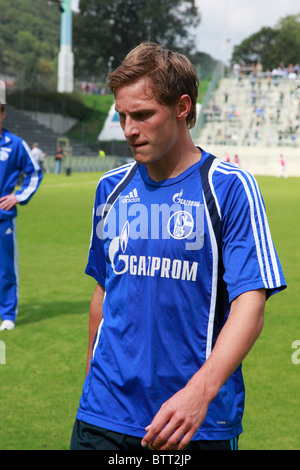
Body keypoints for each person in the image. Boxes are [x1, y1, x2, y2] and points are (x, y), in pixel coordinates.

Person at [70, 42, 286, 451]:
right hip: (102, 418)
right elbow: (104, 290)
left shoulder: (230, 188)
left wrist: (199, 394)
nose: (130, 129)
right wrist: (90, 394)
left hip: (190, 424)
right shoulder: (109, 189)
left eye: (143, 114)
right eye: (122, 117)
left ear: (182, 107)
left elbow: (250, 302)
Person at [0, 104, 43, 331]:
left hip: (2, 218)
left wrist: (18, 196)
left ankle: (7, 315)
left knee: (6, 268)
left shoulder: (15, 144)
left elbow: (34, 172)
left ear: (3, 113)